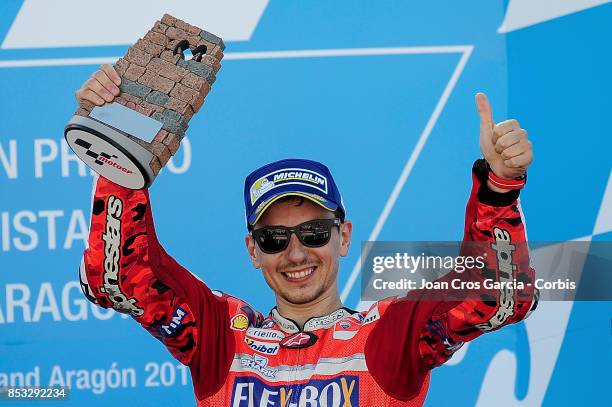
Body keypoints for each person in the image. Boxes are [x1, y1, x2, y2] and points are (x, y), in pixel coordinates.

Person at [76, 64, 537, 406]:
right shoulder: (221, 337)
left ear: (343, 236)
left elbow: (501, 293)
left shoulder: (389, 334)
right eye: (274, 239)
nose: (296, 252)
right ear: (253, 251)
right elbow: (118, 277)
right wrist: (117, 154)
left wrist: (497, 190)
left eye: (314, 232)